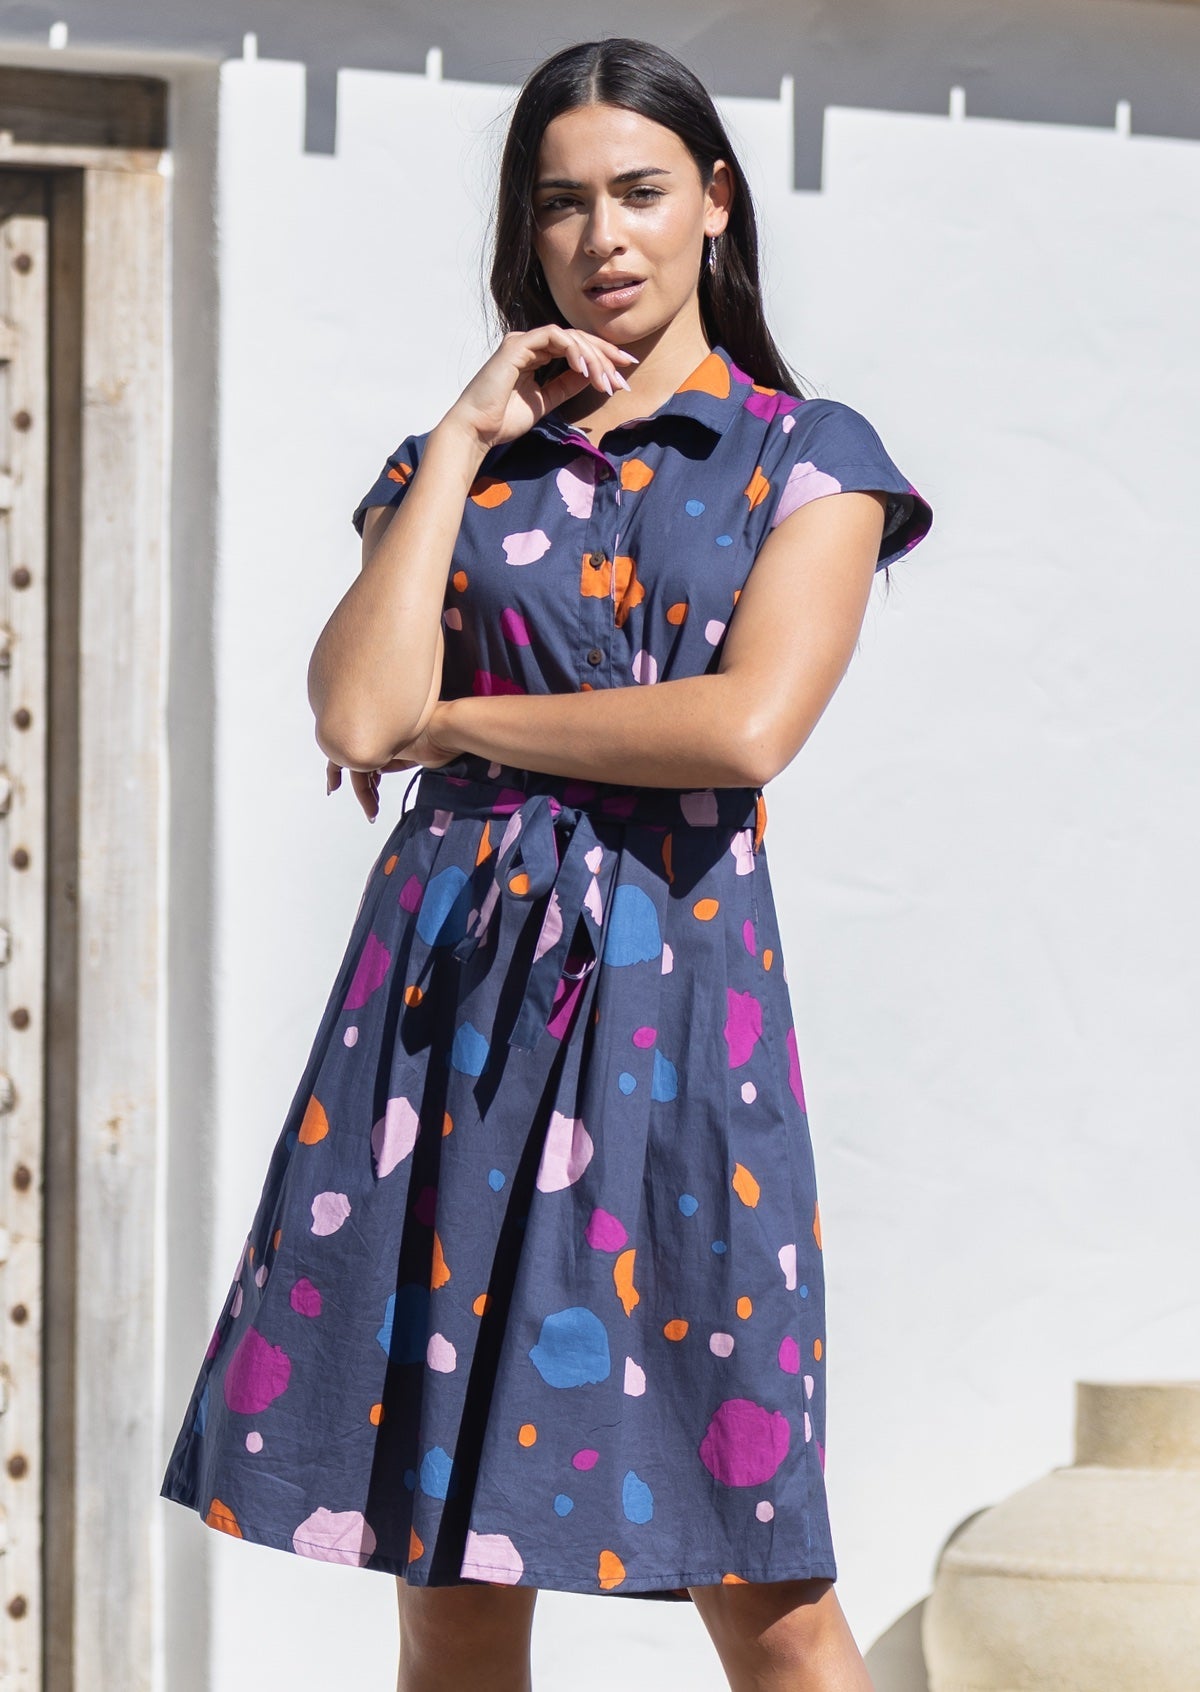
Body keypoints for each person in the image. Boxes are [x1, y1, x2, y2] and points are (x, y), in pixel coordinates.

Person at [160, 34, 933, 1692]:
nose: (603, 237)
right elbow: (354, 709)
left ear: (714, 201)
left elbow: (742, 730)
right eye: (563, 203)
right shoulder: (466, 463)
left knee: (763, 1573)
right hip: (444, 1020)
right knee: (446, 1575)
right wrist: (461, 434)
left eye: (639, 192)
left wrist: (463, 723)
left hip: (677, 1021)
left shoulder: (808, 457)